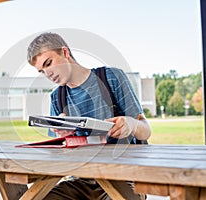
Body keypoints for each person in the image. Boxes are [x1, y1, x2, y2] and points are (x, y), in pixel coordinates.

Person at [27, 32, 151, 200]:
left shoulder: (112, 78)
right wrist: (63, 137)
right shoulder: (57, 97)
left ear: (65, 52)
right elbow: (55, 156)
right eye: (42, 71)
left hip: (122, 177)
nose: (48, 73)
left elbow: (146, 131)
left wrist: (131, 124)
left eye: (49, 63)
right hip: (78, 181)